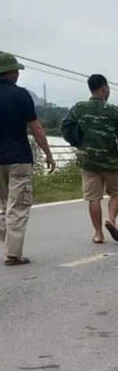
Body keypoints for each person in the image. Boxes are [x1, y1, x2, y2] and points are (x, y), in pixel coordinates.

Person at [61, 75, 118, 244]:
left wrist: (76, 141)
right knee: (116, 193)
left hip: (88, 161)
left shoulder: (79, 108)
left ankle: (98, 233)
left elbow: (65, 126)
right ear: (104, 89)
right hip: (110, 161)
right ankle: (112, 219)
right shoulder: (114, 111)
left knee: (94, 198)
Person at [0, 53, 55, 266]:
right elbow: (37, 129)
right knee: (18, 206)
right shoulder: (22, 95)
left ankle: (8, 239)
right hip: (19, 158)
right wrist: (48, 154)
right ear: (10, 72)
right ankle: (13, 254)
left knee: (5, 204)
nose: (18, 74)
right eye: (16, 71)